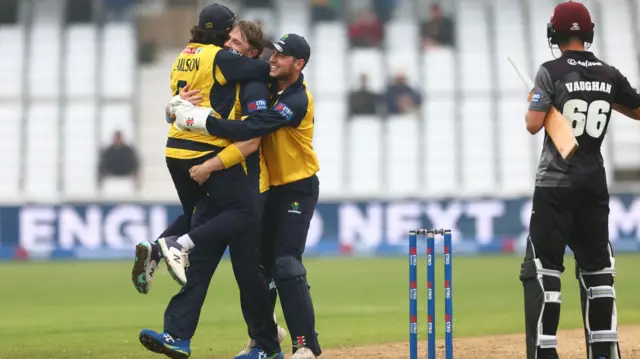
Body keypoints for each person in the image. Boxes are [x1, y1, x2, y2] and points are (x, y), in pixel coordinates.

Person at [133, 4, 284, 359]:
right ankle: (176, 336)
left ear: (250, 52)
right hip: (222, 180)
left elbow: (252, 140)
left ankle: (265, 346)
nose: (227, 45)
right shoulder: (225, 68)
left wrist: (212, 164)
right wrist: (174, 107)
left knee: (249, 277)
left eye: (236, 42)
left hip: (243, 181)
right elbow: (182, 108)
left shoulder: (250, 81)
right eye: (227, 38)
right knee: (198, 266)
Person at [170, 33, 323, 359]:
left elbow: (251, 129)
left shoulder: (297, 100)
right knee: (256, 269)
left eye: (281, 57)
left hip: (296, 188)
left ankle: (305, 345)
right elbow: (202, 106)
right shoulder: (266, 88)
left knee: (285, 263)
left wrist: (205, 122)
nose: (273, 59)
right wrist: (177, 104)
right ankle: (264, 341)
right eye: (273, 54)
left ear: (298, 64)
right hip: (263, 189)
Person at [518, 2, 640, 359]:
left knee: (545, 269)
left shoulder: (549, 71)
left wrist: (537, 102)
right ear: (588, 33)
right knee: (598, 269)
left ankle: (546, 352)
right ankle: (604, 351)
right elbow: (636, 109)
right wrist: (599, 96)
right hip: (593, 183)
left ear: (554, 33)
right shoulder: (608, 73)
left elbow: (533, 124)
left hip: (556, 185)